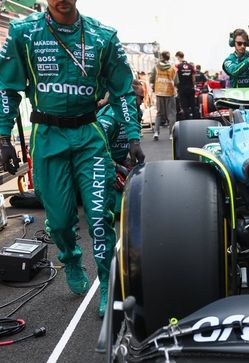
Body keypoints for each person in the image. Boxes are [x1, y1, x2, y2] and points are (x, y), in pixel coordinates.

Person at [0, 0, 143, 317]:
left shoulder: (104, 36)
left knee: (98, 217)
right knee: (61, 222)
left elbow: (122, 90)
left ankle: (106, 283)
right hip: (48, 137)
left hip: (88, 137)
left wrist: (133, 134)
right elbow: (7, 87)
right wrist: (2, 136)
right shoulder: (24, 32)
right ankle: (70, 256)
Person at [97, 81, 144, 215]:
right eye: (140, 98)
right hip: (100, 163)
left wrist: (128, 162)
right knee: (120, 210)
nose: (141, 102)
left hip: (117, 160)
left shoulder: (137, 113)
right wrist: (116, 167)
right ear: (130, 96)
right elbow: (95, 150)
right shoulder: (109, 117)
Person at [150, 51, 176, 141]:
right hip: (170, 92)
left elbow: (151, 79)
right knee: (171, 114)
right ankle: (171, 134)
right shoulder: (172, 68)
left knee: (159, 113)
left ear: (161, 57)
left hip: (159, 92)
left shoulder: (156, 67)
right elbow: (176, 81)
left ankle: (156, 132)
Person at [174, 51, 196, 120]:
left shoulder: (177, 66)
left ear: (178, 57)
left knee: (185, 106)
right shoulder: (191, 66)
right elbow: (194, 79)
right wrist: (193, 86)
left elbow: (175, 78)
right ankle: (195, 120)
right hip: (191, 88)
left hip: (182, 89)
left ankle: (188, 120)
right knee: (193, 105)